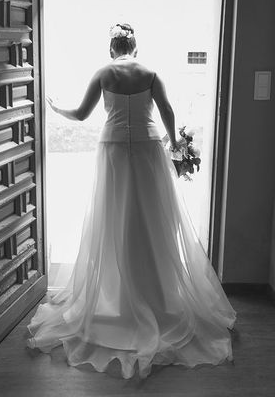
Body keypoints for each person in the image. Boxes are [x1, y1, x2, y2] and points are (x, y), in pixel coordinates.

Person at [27, 23, 236, 379]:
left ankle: (120, 297)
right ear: (135, 49)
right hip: (149, 149)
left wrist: (56, 108)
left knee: (115, 220)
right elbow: (167, 111)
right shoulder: (150, 72)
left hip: (112, 153)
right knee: (153, 220)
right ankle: (155, 295)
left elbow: (80, 114)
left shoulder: (103, 72)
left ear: (112, 49)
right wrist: (175, 144)